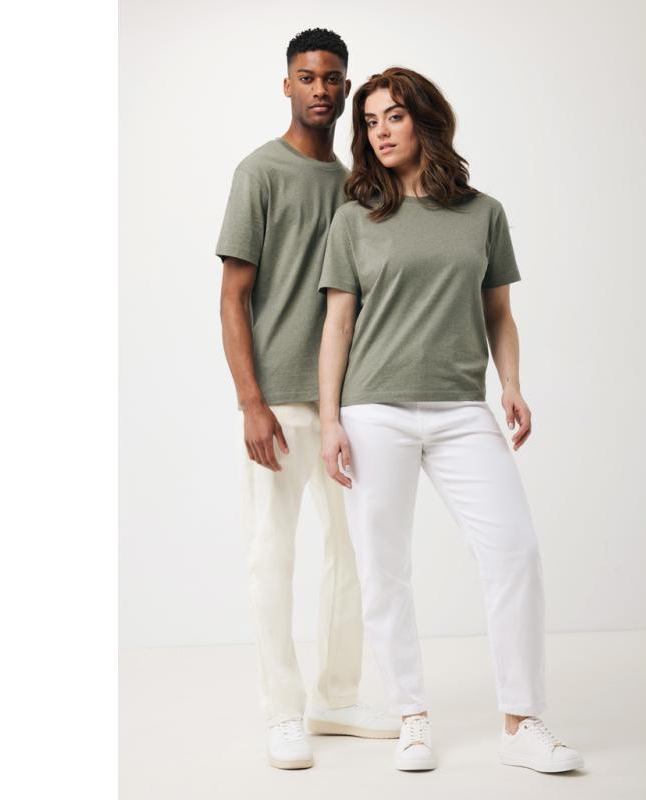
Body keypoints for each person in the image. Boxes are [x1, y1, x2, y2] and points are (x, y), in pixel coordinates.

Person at [317, 67, 584, 773]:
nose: (380, 130)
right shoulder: (355, 219)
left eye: (394, 115)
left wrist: (512, 386)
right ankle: (411, 716)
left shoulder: (482, 213)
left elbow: (499, 312)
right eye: (370, 120)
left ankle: (522, 723)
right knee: (384, 568)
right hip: (373, 410)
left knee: (515, 552)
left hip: (462, 408)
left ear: (426, 120)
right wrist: (330, 420)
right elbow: (337, 324)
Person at [215, 30, 399, 771]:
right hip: (280, 404)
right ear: (287, 85)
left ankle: (337, 696)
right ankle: (283, 713)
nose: (320, 88)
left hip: (350, 404)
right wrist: (250, 402)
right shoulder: (259, 172)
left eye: (332, 78)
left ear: (346, 88)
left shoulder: (360, 184)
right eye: (306, 76)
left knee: (354, 553)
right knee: (271, 557)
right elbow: (233, 296)